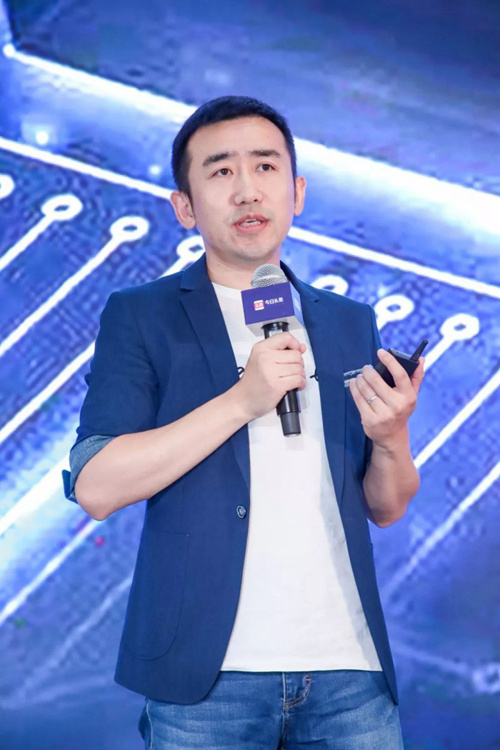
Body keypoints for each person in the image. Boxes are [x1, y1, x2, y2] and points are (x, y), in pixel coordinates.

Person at [63, 95, 424, 749]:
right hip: (206, 679)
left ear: (297, 192)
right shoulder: (143, 315)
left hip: (350, 673)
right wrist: (242, 400)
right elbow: (95, 487)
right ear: (184, 205)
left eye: (265, 166)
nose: (247, 189)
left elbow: (386, 506)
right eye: (221, 171)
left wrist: (391, 436)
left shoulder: (348, 322)